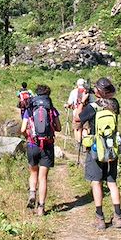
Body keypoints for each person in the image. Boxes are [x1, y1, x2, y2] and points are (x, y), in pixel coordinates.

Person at [78, 77, 121, 229]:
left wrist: (82, 102)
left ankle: (100, 218)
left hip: (96, 149)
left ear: (98, 91)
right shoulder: (115, 104)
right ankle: (118, 217)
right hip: (112, 148)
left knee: (96, 182)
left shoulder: (92, 106)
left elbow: (78, 119)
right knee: (112, 183)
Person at [21, 84, 61, 216]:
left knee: (33, 172)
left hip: (33, 145)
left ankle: (32, 192)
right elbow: (59, 128)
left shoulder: (29, 110)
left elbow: (22, 129)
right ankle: (41, 208)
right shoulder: (52, 109)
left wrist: (29, 137)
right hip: (47, 146)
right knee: (43, 177)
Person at [65, 78, 95, 143]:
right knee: (85, 128)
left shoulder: (73, 91)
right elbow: (93, 103)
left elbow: (69, 103)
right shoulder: (88, 92)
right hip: (87, 112)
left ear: (77, 84)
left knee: (77, 128)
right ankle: (86, 144)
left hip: (76, 113)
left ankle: (78, 143)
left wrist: (67, 105)